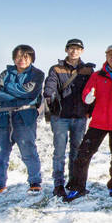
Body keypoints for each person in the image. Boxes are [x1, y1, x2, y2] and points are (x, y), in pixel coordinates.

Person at [63, 44, 112, 202]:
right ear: (106, 56)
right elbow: (87, 92)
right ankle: (77, 187)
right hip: (99, 122)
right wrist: (88, 97)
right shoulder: (97, 75)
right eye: (110, 54)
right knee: (83, 155)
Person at [0, 44, 45, 197]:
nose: (21, 60)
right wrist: (19, 96)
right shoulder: (6, 73)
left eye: (25, 57)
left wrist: (8, 87)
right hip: (4, 117)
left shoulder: (38, 74)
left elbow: (30, 91)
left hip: (25, 117)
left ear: (31, 58)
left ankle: (35, 182)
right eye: (18, 57)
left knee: (28, 150)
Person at [42, 38, 96, 197]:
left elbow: (92, 91)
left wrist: (90, 111)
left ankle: (74, 182)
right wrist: (49, 94)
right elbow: (50, 84)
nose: (74, 51)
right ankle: (58, 185)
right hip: (60, 116)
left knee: (77, 152)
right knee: (59, 152)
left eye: (77, 49)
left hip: (80, 116)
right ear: (66, 50)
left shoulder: (88, 70)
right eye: (71, 48)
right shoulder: (56, 69)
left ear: (82, 51)